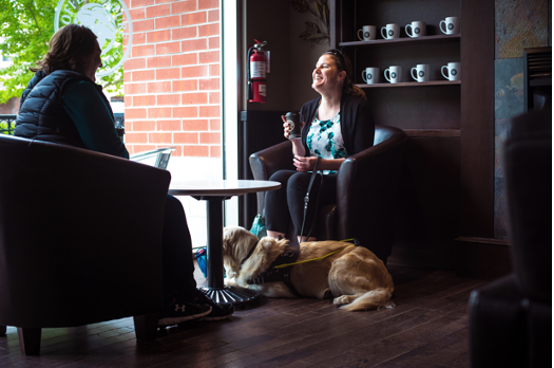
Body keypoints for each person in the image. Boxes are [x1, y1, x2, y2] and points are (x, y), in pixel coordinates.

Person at [14, 24, 233, 327]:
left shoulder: (36, 89)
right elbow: (113, 156)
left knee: (159, 202)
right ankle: (179, 297)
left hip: (35, 209)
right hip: (70, 210)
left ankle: (181, 296)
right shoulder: (74, 87)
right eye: (98, 55)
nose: (101, 63)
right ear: (81, 56)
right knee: (167, 206)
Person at [265, 49, 375, 243]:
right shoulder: (309, 108)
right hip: (313, 178)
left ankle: (307, 251)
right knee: (277, 179)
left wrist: (321, 164)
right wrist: (295, 140)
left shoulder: (357, 108)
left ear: (341, 76)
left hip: (342, 182)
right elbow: (301, 159)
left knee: (297, 181)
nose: (316, 70)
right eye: (316, 65)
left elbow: (361, 161)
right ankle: (273, 251)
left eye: (324, 66)